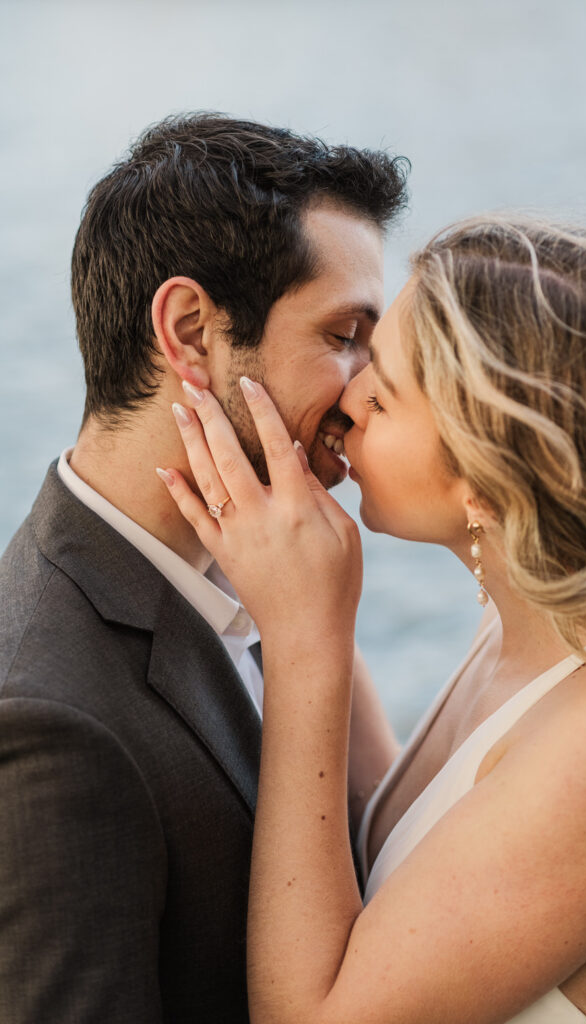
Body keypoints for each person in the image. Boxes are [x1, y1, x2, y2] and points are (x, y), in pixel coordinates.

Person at [161, 215, 586, 1024]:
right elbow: (405, 841)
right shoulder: (531, 627)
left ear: (488, 476)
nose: (346, 398)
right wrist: (277, 573)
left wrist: (310, 645)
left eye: (385, 391)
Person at [0, 112, 407, 1023]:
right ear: (190, 331)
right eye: (345, 335)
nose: (368, 389)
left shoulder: (262, 574)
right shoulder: (45, 721)